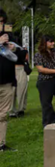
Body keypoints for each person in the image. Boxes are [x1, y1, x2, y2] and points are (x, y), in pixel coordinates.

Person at [0, 12, 24, 152]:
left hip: (7, 82)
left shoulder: (11, 37)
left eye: (2, 21)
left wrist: (13, 48)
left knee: (3, 115)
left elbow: (22, 56)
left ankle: (1, 144)